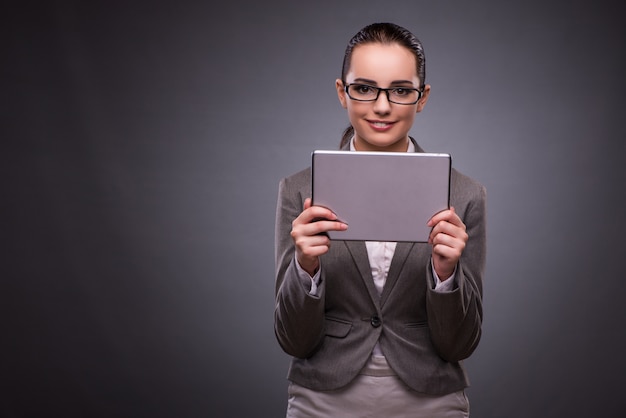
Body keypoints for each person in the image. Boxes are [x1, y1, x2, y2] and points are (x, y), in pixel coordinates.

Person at [274, 22, 486, 418]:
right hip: (322, 400)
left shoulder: (464, 196)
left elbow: (459, 346)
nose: (383, 106)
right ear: (342, 92)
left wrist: (445, 275)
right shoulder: (300, 191)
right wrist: (305, 267)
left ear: (421, 98)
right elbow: (293, 340)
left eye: (401, 90)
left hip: (431, 400)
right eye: (365, 88)